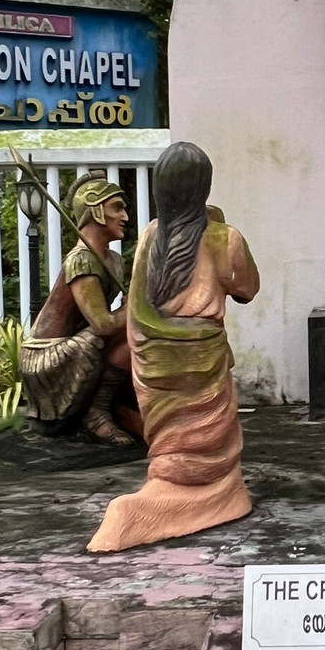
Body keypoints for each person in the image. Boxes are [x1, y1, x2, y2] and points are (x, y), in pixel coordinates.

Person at [88, 142, 260, 553]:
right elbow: (247, 288)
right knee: (204, 450)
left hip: (157, 366)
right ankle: (204, 497)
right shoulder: (224, 238)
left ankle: (180, 498)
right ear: (204, 187)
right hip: (202, 364)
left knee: (172, 446)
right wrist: (220, 227)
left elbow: (137, 307)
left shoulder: (150, 236)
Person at [20, 172, 136, 446]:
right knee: (131, 330)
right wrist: (134, 307)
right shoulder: (81, 261)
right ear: (95, 210)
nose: (125, 217)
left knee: (139, 333)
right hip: (49, 355)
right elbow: (103, 325)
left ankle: (112, 405)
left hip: (81, 342)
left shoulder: (114, 260)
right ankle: (96, 412)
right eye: (117, 208)